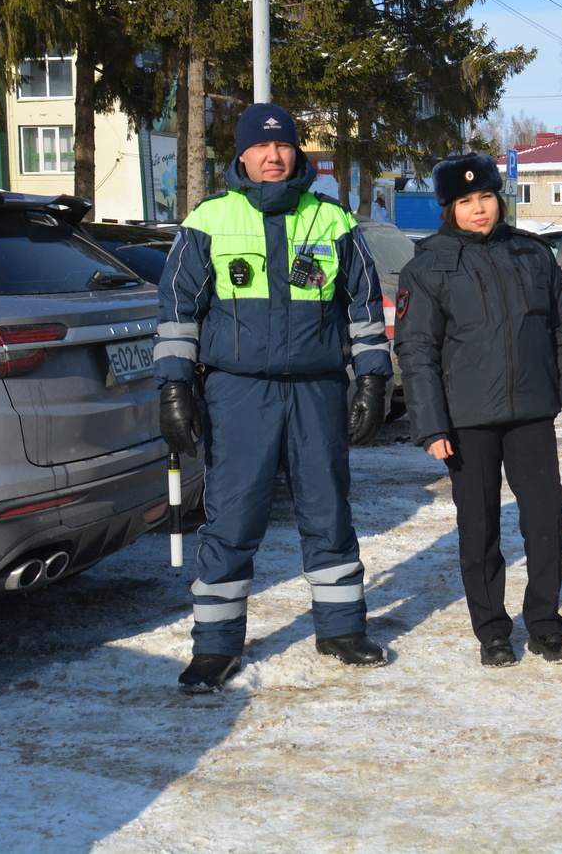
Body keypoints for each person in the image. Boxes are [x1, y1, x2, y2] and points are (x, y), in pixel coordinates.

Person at [155, 102, 393, 692]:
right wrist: (175, 386)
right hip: (239, 394)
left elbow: (363, 308)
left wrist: (371, 376)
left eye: (283, 146)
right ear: (241, 154)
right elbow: (178, 313)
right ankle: (214, 648)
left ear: (297, 153)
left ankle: (340, 628)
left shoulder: (332, 221)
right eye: (261, 147)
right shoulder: (209, 221)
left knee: (328, 510)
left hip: (316, 391)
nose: (273, 156)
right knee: (231, 518)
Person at [393, 153, 562, 668]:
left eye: (485, 197)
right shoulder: (427, 266)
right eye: (465, 202)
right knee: (479, 526)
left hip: (530, 411)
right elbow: (416, 352)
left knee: (546, 517)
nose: (479, 209)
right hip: (466, 420)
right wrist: (431, 424)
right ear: (448, 209)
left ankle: (546, 626)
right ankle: (493, 631)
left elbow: (561, 329)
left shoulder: (533, 254)